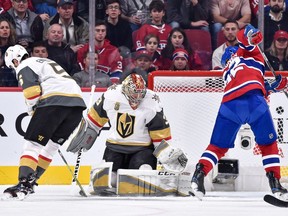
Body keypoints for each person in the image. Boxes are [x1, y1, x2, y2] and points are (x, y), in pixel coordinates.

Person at [190, 24, 288, 200]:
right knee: (267, 144)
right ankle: (276, 185)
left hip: (229, 104)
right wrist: (253, 36)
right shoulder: (251, 54)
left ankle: (198, 176)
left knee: (218, 147)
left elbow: (249, 80)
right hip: (254, 103)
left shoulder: (226, 69)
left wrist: (271, 86)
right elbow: (246, 36)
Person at [67, 73, 187, 193]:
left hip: (142, 149)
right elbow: (94, 121)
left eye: (141, 93)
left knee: (142, 173)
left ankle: (139, 178)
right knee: (110, 179)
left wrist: (165, 154)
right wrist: (84, 135)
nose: (138, 97)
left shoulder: (152, 101)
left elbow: (160, 132)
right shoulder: (111, 95)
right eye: (135, 93)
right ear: (125, 90)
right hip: (114, 148)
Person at [2, 44, 86, 199]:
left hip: (54, 103)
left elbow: (32, 92)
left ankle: (24, 182)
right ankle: (32, 182)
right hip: (77, 106)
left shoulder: (25, 64)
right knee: (51, 147)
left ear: (15, 60)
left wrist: (33, 110)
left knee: (32, 144)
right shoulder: (45, 62)